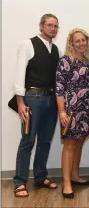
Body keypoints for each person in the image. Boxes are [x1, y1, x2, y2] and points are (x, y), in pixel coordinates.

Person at [13, 14, 60, 197]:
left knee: (45, 141)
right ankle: (19, 181)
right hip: (33, 98)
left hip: (52, 99)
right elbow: (19, 73)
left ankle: (40, 177)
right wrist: (20, 102)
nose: (53, 29)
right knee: (27, 140)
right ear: (41, 26)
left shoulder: (56, 49)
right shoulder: (28, 44)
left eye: (56, 26)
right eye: (50, 25)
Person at [55, 28, 89, 199]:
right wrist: (62, 111)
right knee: (70, 144)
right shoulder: (66, 60)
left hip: (85, 109)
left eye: (83, 40)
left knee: (79, 142)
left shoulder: (87, 61)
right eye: (77, 40)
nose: (81, 43)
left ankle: (75, 176)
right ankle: (67, 183)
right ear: (71, 43)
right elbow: (59, 88)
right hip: (70, 109)